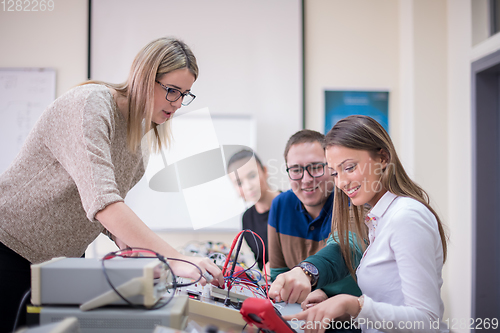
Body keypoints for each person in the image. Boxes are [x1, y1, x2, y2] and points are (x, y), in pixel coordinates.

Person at [0, 37, 223, 332]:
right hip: (10, 245)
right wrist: (176, 258)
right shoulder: (91, 104)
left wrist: (131, 245)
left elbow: (102, 208)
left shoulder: (140, 145)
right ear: (144, 77)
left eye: (185, 94)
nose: (177, 104)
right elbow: (102, 201)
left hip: (58, 262)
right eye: (171, 91)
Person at [270, 115, 448, 333]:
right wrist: (337, 306)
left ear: (382, 158)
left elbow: (427, 322)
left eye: (350, 167)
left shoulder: (406, 216)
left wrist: (353, 305)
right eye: (335, 172)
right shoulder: (378, 218)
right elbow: (387, 301)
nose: (341, 182)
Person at [268, 129, 361, 304]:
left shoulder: (351, 200)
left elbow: (346, 250)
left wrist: (315, 283)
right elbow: (278, 274)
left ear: (331, 168)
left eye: (316, 167)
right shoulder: (280, 205)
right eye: (296, 170)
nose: (306, 179)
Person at [227, 149, 280, 272]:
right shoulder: (247, 219)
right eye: (239, 183)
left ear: (264, 171)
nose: (248, 186)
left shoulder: (291, 204)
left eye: (252, 176)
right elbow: (261, 263)